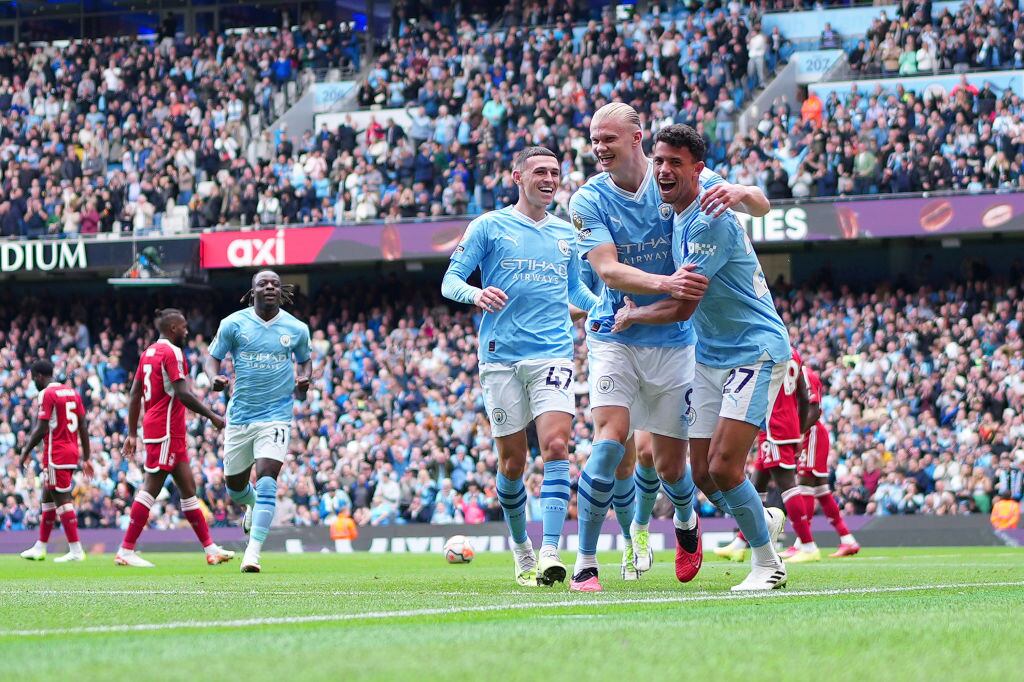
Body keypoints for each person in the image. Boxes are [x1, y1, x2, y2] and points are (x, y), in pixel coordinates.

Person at [567, 103, 771, 592]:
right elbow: (608, 270)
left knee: (674, 466)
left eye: (608, 138)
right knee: (609, 440)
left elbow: (759, 205)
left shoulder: (682, 180)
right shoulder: (586, 201)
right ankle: (586, 562)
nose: (598, 147)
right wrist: (666, 283)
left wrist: (744, 191)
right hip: (614, 333)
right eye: (594, 138)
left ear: (636, 137)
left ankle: (686, 524)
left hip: (679, 341)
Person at [612, 124, 788, 591]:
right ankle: (762, 519)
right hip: (710, 354)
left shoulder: (708, 218)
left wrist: (635, 316)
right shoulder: (687, 196)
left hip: (754, 349)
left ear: (698, 169)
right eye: (659, 160)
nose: (664, 170)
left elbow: (683, 305)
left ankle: (768, 566)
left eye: (675, 162)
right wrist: (745, 190)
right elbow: (759, 203)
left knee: (727, 466)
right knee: (705, 474)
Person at [442, 146, 598, 587]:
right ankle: (521, 549)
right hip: (500, 357)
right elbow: (450, 281)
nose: (549, 179)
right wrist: (476, 294)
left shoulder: (566, 234)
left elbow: (578, 294)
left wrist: (608, 305)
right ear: (518, 177)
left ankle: (551, 549)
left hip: (552, 352)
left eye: (555, 172)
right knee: (512, 463)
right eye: (541, 172)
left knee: (555, 447)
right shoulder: (489, 226)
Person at [205, 270, 312, 573]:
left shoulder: (296, 328)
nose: (269, 287)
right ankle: (250, 505)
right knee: (234, 487)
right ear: (252, 291)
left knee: (267, 479)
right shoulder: (233, 324)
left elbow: (305, 361)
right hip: (240, 417)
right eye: (262, 284)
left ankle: (253, 553)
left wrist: (304, 380)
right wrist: (213, 376)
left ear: (282, 291)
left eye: (274, 284)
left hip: (276, 415)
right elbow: (212, 357)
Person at [115, 309, 234, 567]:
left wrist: (133, 433)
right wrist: (212, 415)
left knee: (189, 491)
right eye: (184, 327)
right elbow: (182, 393)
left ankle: (211, 550)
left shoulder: (148, 353)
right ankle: (125, 550)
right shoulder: (172, 353)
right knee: (151, 487)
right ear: (172, 329)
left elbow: (135, 393)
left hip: (167, 430)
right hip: (165, 429)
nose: (187, 332)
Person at [715, 348, 817, 563]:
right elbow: (804, 398)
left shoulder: (768, 350)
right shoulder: (795, 355)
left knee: (787, 484)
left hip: (774, 425)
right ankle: (741, 543)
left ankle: (807, 544)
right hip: (787, 423)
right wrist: (798, 431)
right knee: (757, 483)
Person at [19, 360, 91, 563]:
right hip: (70, 452)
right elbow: (83, 426)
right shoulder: (72, 393)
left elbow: (41, 428)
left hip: (55, 454)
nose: (34, 382)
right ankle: (40, 547)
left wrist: (25, 451)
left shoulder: (46, 394)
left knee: (62, 500)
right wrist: (86, 457)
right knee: (47, 497)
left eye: (34, 378)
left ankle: (76, 550)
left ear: (40, 376)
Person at [798, 364, 860, 556]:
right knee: (821, 491)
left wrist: (798, 434)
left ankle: (803, 543)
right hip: (813, 433)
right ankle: (847, 539)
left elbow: (814, 411)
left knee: (804, 485)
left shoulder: (805, 375)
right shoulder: (801, 374)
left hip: (812, 433)